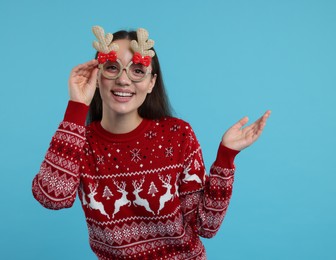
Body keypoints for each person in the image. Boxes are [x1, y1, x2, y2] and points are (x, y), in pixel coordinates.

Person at [32, 26, 271, 260]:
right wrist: (77, 105)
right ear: (96, 77)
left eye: (137, 71)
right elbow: (53, 197)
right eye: (112, 68)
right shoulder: (79, 143)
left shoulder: (178, 135)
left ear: (151, 82)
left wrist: (226, 156)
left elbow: (205, 225)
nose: (123, 80)